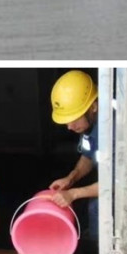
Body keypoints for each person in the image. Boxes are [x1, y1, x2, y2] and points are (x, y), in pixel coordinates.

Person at [49, 70, 99, 240]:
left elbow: (117, 182)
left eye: (74, 118)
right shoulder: (89, 124)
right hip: (106, 190)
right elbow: (88, 156)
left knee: (98, 207)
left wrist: (73, 194)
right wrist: (70, 179)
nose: (69, 126)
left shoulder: (116, 128)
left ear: (93, 106)